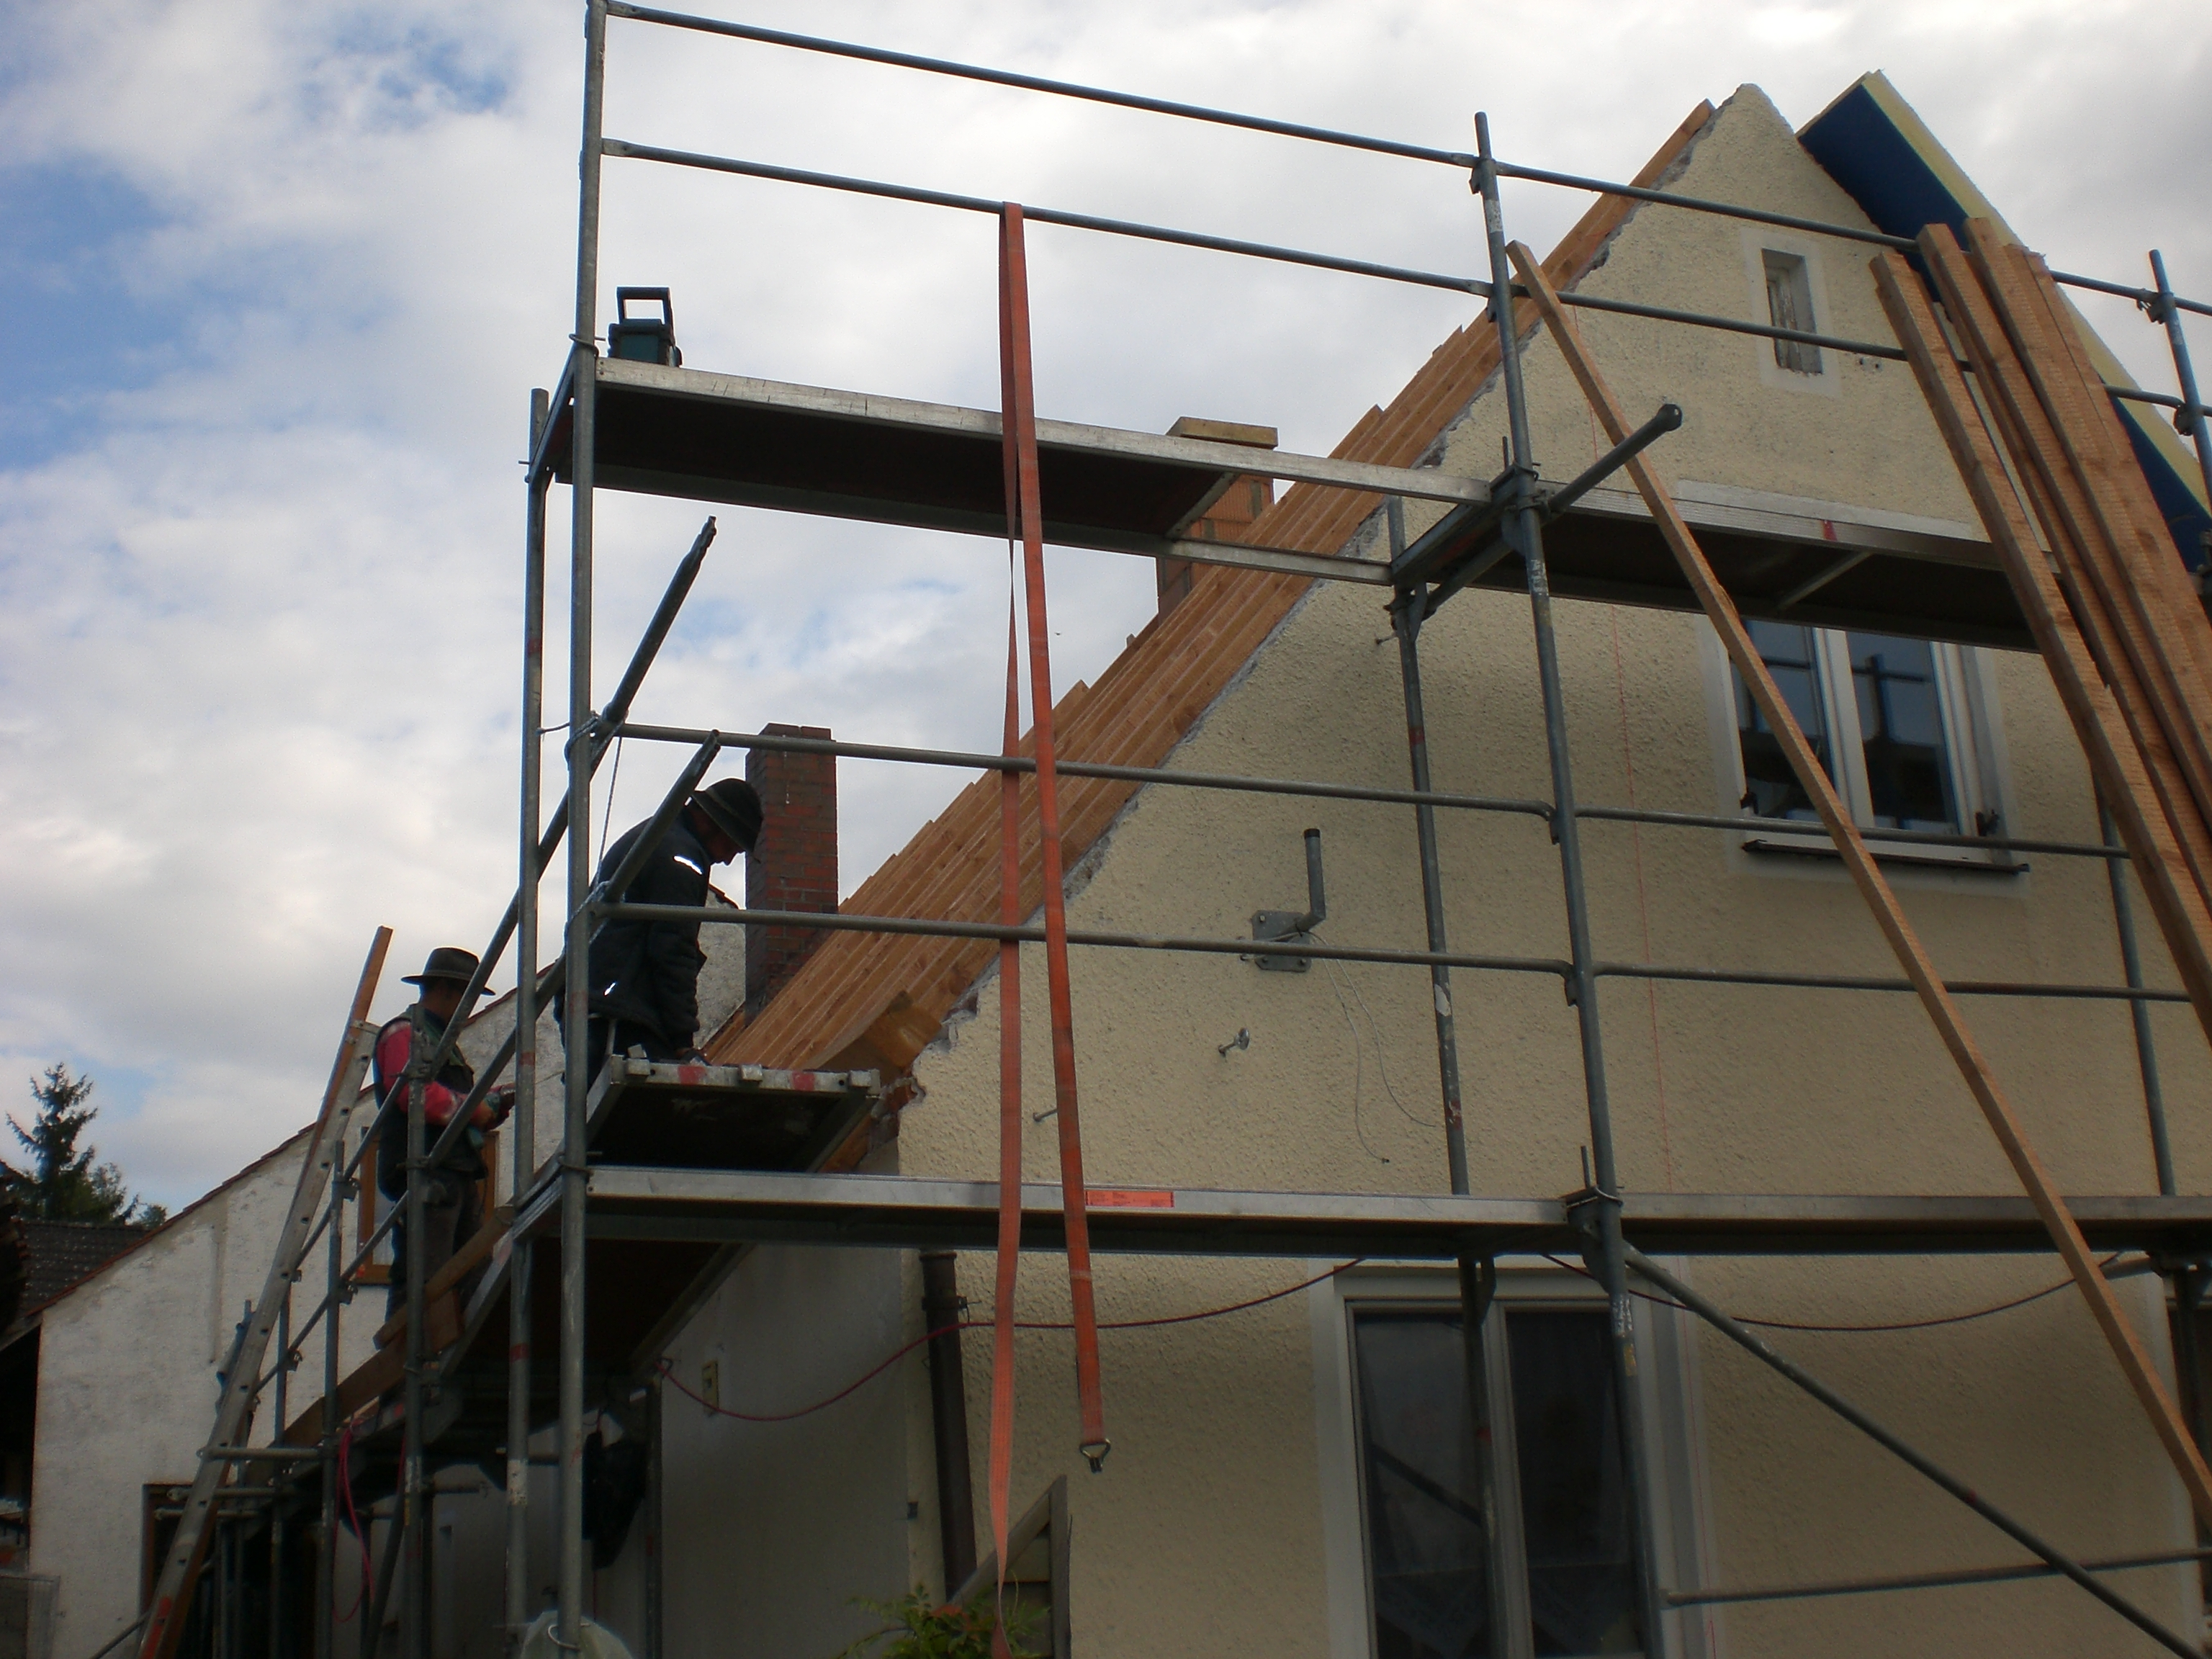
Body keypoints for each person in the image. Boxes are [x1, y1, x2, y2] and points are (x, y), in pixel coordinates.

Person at [566, 777, 763, 1083]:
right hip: (621, 1012)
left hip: (596, 1001)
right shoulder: (680, 857)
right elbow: (673, 949)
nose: (726, 859)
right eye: (731, 846)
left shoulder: (657, 837)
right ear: (711, 822)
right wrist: (682, 1040)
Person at [374, 947, 512, 1321]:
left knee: (472, 1274)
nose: (471, 1009)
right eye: (469, 997)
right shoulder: (405, 1032)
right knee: (426, 1274)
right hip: (424, 1168)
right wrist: (474, 1108)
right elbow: (413, 1094)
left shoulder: (439, 1040)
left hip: (452, 1169)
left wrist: (487, 1108)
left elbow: (445, 1102)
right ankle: (409, 1345)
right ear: (448, 991)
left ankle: (454, 1344)